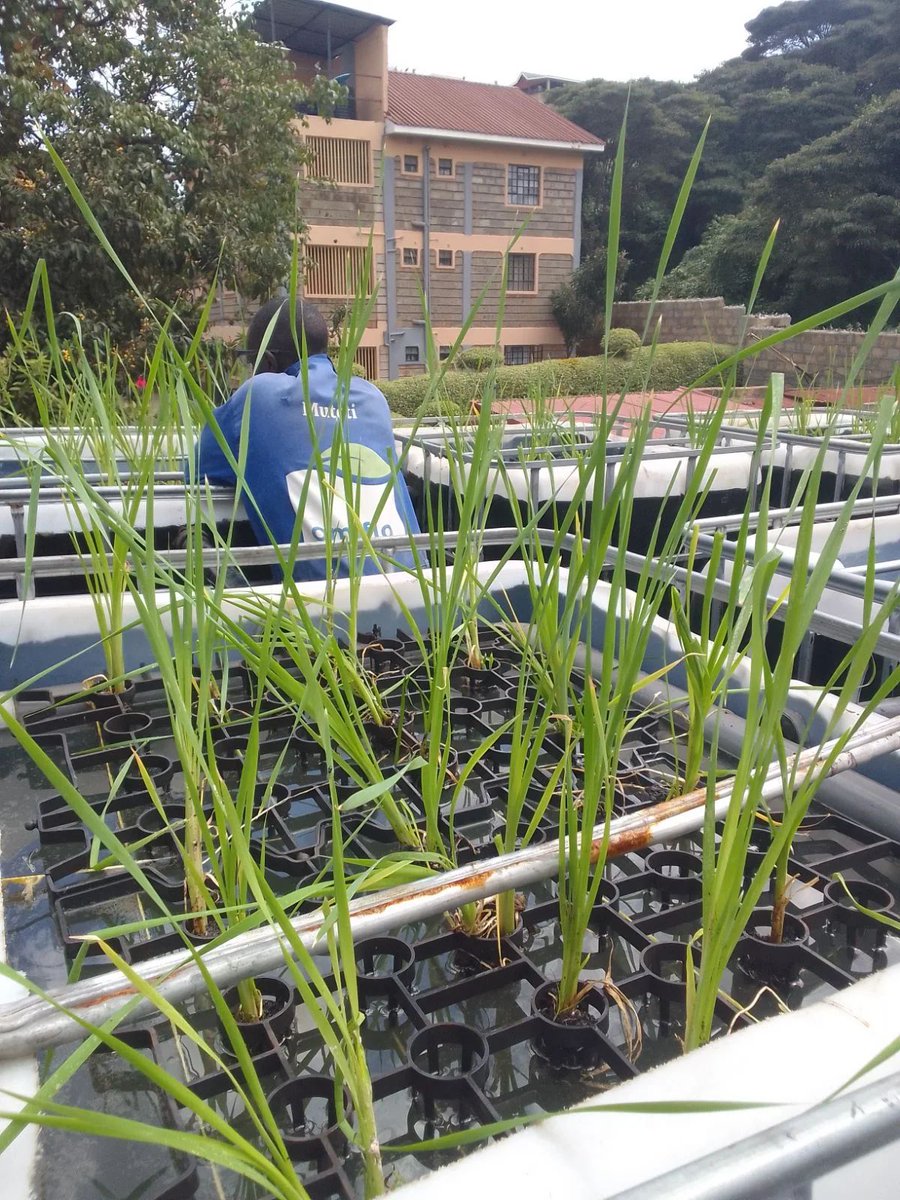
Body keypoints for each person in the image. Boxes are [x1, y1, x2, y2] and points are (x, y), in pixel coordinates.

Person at [196, 298, 419, 581]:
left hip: (321, 610)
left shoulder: (257, 395)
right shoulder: (373, 397)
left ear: (268, 362)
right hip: (414, 591)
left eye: (251, 362)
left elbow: (197, 473)